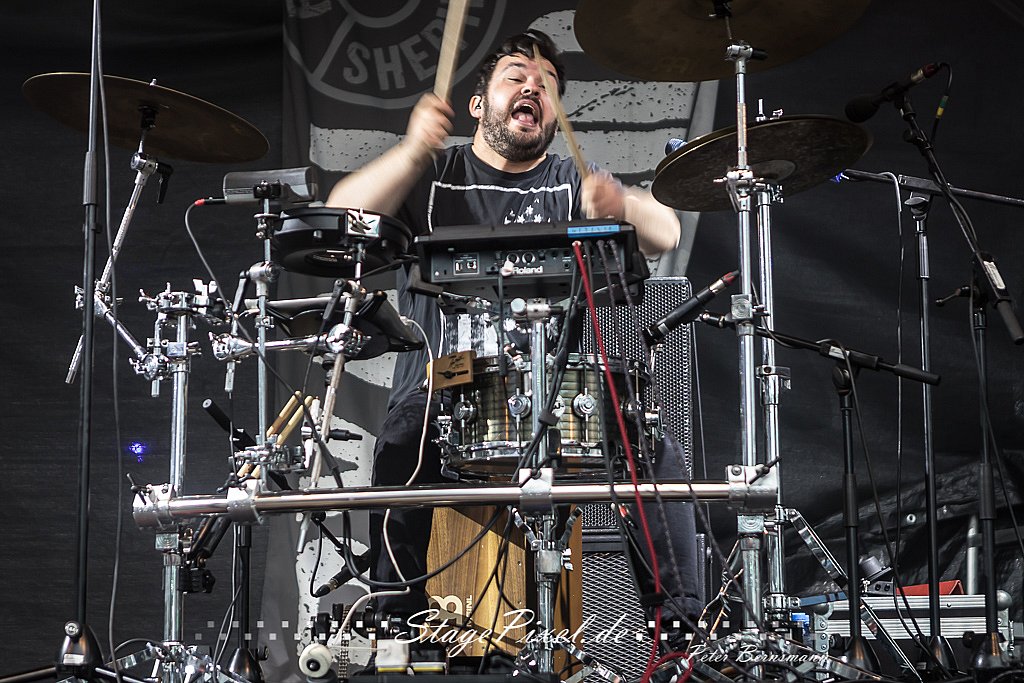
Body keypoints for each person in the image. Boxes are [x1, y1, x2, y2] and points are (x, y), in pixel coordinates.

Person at [326, 30, 691, 629]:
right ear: (478, 105)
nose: (533, 88)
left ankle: (679, 631)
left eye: (547, 85)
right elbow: (343, 214)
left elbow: (667, 233)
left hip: (557, 393)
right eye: (517, 76)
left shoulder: (569, 180)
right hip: (445, 384)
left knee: (647, 441)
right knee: (401, 440)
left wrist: (621, 201)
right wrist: (413, 150)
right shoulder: (435, 176)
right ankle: (396, 628)